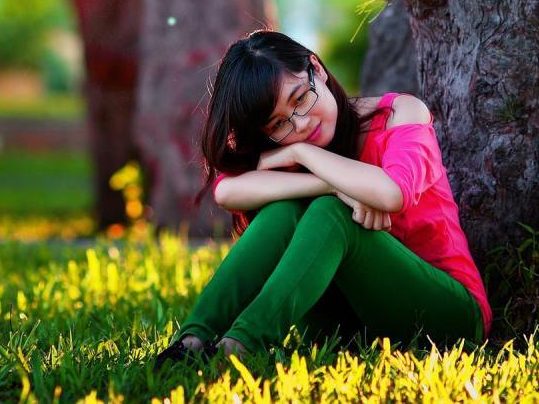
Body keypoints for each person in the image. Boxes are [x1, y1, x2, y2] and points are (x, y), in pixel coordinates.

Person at [153, 30, 491, 370]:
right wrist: (331, 186)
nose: (301, 123)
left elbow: (393, 193)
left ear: (317, 68)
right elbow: (227, 191)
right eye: (279, 123)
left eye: (300, 98)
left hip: (447, 317)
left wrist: (302, 152)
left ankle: (240, 345)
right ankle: (191, 341)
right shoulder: (289, 146)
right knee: (285, 210)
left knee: (332, 213)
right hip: (347, 331)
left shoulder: (400, 113)